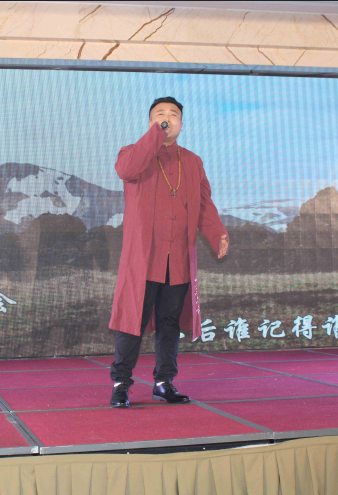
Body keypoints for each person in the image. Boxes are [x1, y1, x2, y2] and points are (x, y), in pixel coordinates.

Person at [109, 96, 229, 408]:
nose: (167, 118)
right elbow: (126, 170)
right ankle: (121, 384)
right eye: (160, 114)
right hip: (143, 259)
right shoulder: (132, 153)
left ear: (182, 124)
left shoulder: (192, 161)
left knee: (170, 323)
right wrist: (155, 135)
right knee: (132, 322)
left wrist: (217, 232)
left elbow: (203, 203)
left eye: (173, 115)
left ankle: (164, 382)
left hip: (177, 259)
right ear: (150, 123)